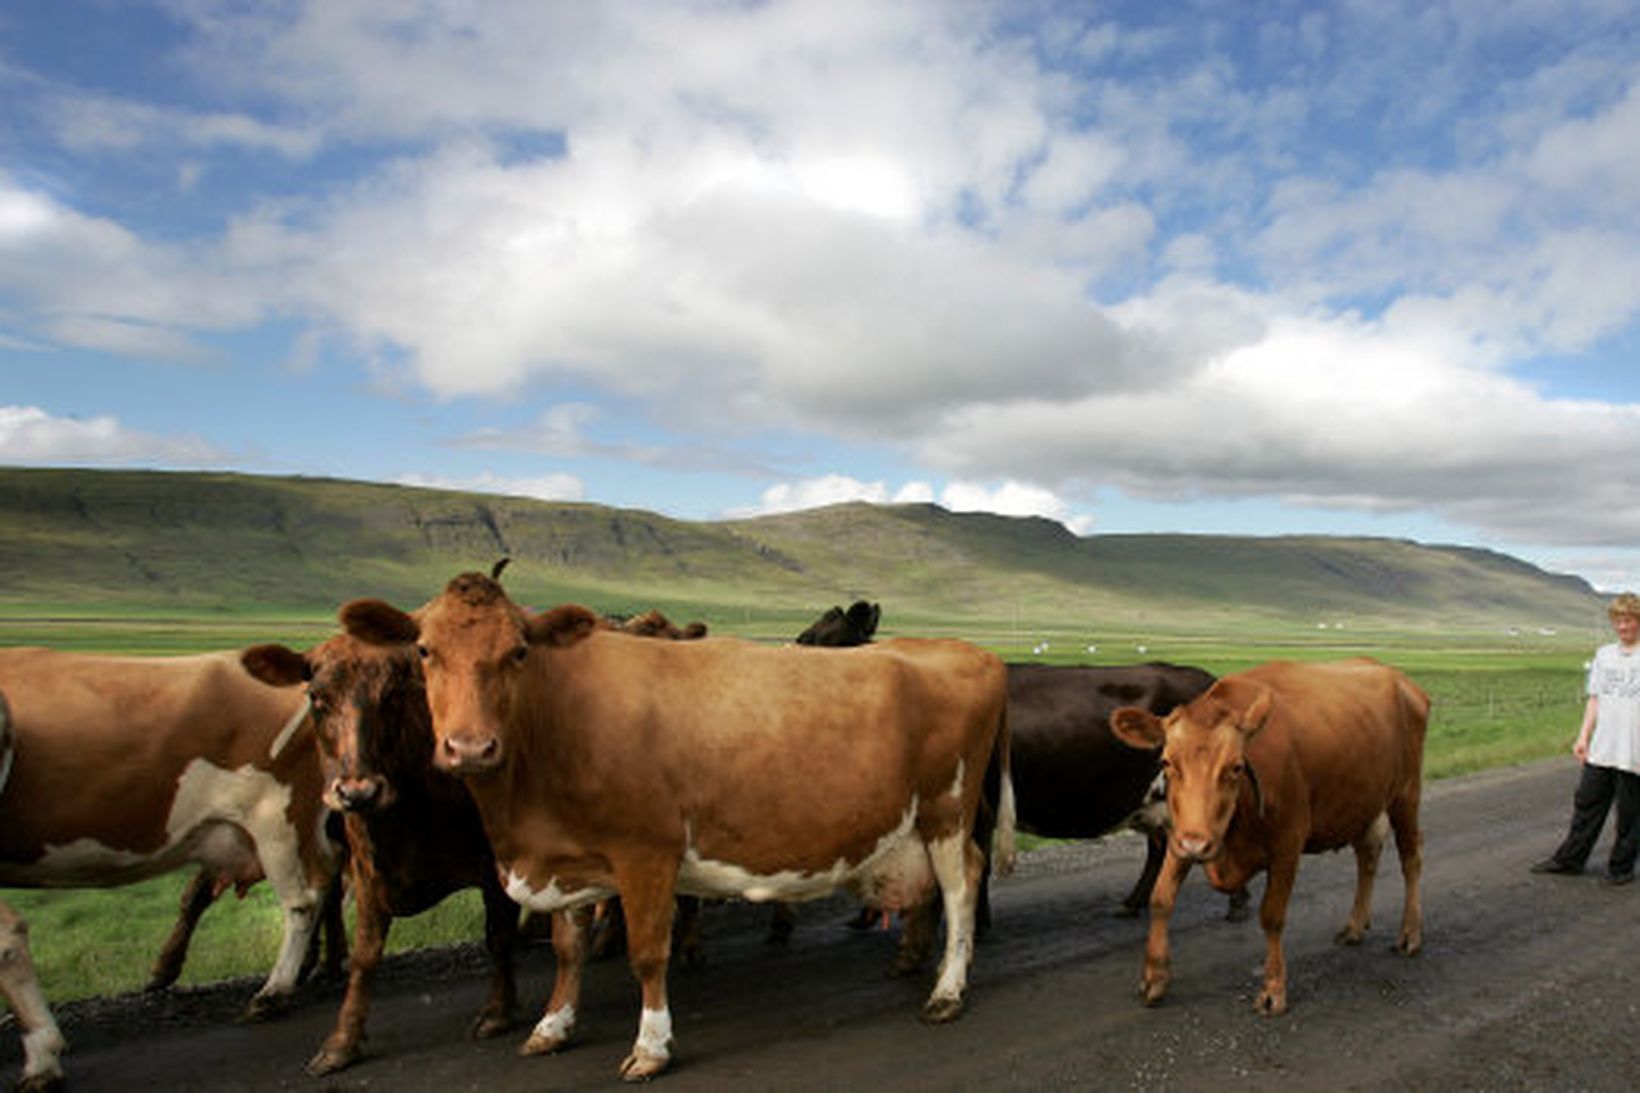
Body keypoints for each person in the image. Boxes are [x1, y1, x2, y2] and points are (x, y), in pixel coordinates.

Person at [1532, 592, 1640, 885]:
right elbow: (1595, 699)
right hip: (1603, 746)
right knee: (1587, 804)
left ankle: (1621, 868)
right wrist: (1583, 737)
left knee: (1630, 812)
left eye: (1628, 620)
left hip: (1634, 750)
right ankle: (1570, 859)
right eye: (1618, 620)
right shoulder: (1604, 655)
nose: (1623, 627)